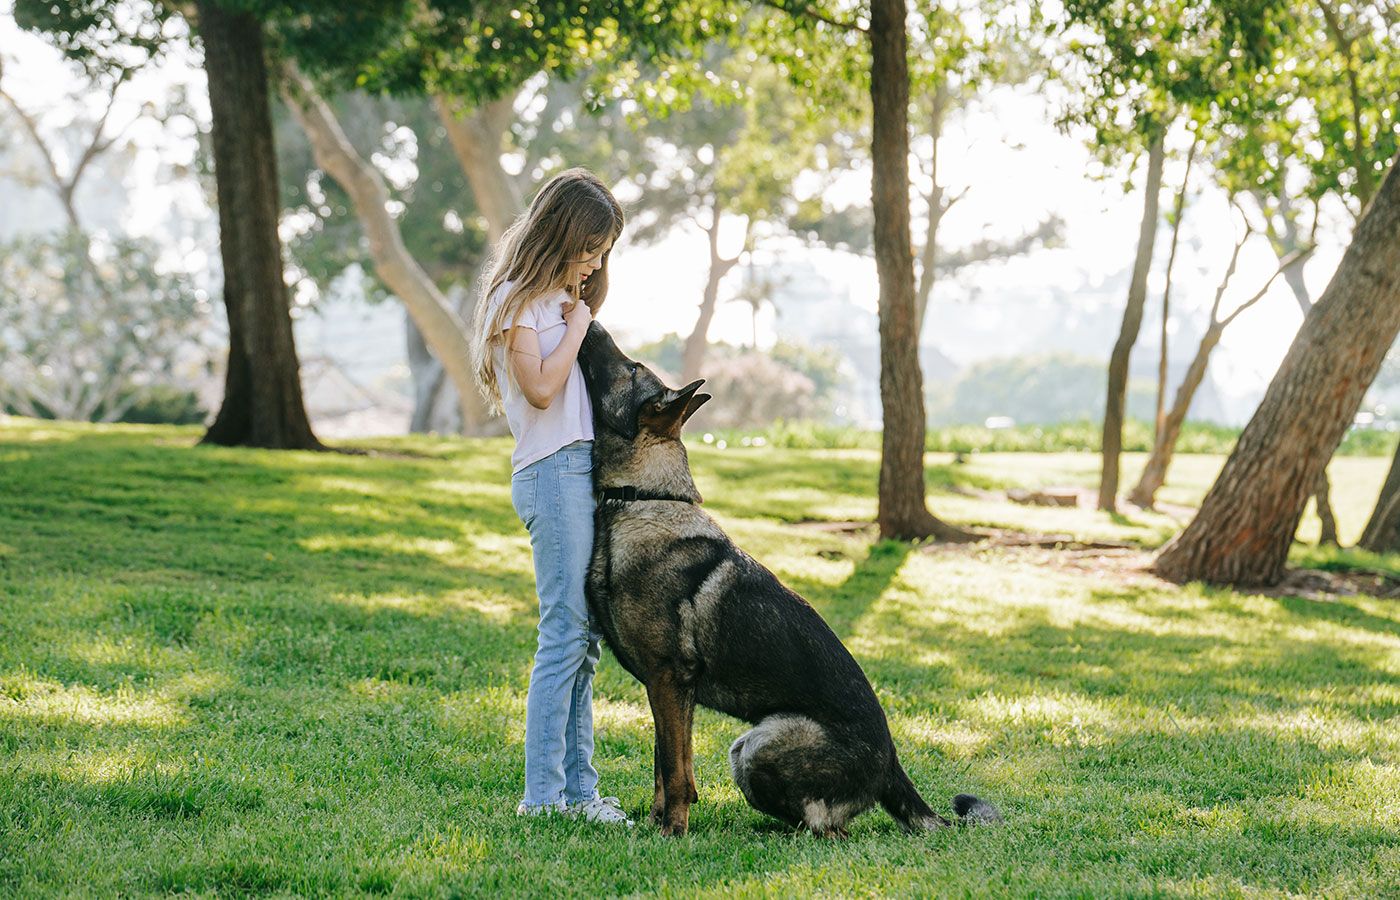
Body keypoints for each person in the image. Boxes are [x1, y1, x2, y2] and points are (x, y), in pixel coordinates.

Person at [470, 168, 632, 825]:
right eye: (589, 247)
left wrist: (577, 314)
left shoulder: (551, 304)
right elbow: (539, 389)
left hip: (574, 471)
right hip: (551, 471)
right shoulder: (517, 299)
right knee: (564, 636)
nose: (594, 262)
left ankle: (577, 793)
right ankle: (545, 799)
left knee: (583, 639)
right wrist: (580, 322)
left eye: (603, 252)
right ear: (560, 234)